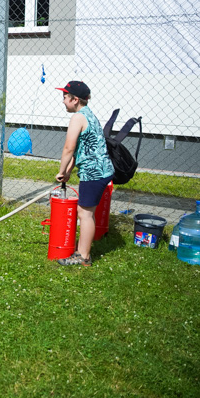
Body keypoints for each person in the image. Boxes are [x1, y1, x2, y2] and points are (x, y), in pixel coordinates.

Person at [54, 81, 114, 267]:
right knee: (87, 211)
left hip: (94, 172)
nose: (63, 101)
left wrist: (61, 170)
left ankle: (83, 256)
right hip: (100, 170)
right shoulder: (88, 115)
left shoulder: (78, 118)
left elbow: (69, 148)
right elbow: (81, 148)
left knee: (85, 213)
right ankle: (82, 251)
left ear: (75, 99)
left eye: (65, 97)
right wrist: (69, 172)